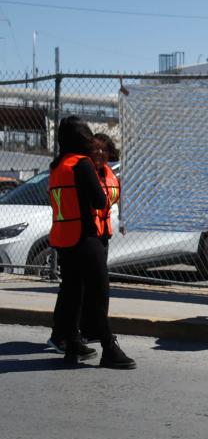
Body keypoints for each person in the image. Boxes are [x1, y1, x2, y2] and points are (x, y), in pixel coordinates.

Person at [47, 117, 135, 369]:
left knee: (73, 291)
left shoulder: (57, 165)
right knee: (98, 291)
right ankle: (109, 346)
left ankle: (71, 342)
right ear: (81, 139)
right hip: (86, 237)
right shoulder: (81, 164)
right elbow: (98, 200)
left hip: (64, 238)